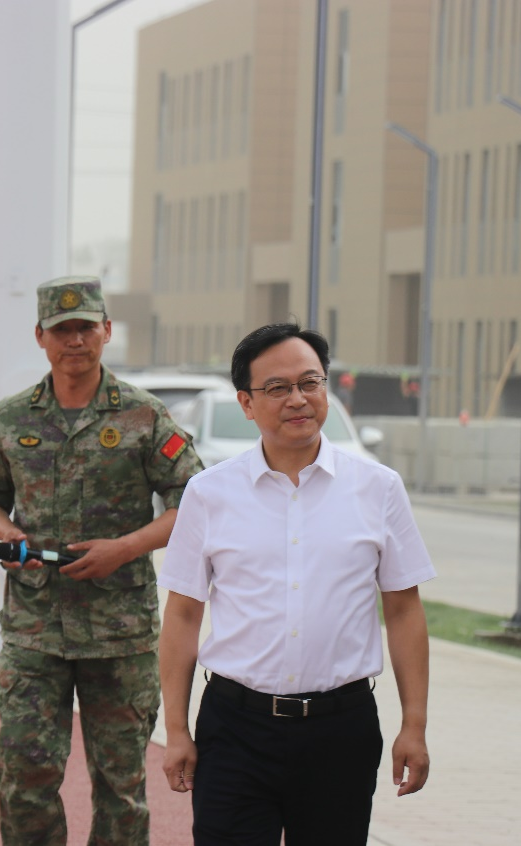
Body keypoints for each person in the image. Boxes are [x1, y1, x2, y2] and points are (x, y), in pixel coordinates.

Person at [158, 322, 435, 846]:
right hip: (235, 729)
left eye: (310, 382)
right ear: (246, 403)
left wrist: (414, 725)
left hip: (341, 729)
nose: (298, 399)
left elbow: (403, 611)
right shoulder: (209, 493)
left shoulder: (377, 488)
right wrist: (176, 730)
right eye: (278, 388)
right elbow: (183, 615)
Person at [0, 275, 203, 846]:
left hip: (119, 634)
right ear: (40, 337)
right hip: (34, 631)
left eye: (85, 328)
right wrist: (11, 535)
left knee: (121, 787)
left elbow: (194, 503)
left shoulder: (144, 416)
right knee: (24, 778)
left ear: (106, 330)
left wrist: (126, 547)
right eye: (61, 329)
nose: (74, 340)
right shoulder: (14, 417)